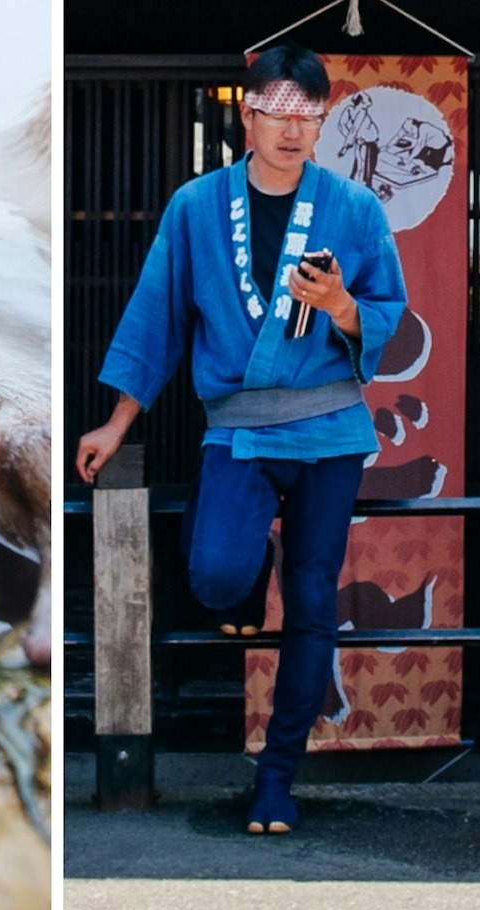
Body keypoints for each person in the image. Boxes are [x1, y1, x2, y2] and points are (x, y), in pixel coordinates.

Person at [77, 43, 409, 836]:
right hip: (238, 428)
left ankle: (277, 778)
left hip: (329, 426)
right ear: (247, 114)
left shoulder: (354, 210)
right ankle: (250, 556)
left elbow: (387, 313)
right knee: (218, 576)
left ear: (322, 124)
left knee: (312, 601)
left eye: (310, 118)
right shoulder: (196, 207)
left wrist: (340, 307)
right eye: (279, 114)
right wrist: (118, 420)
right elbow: (158, 317)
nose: (293, 133)